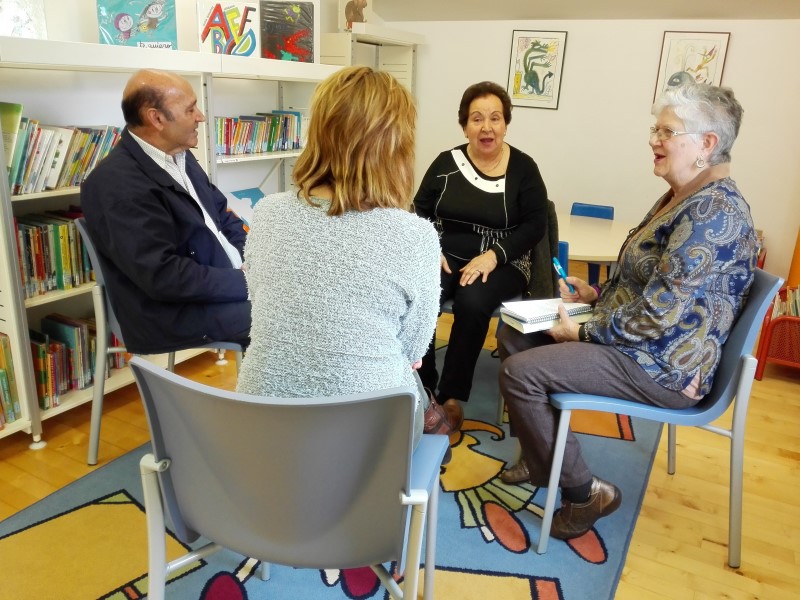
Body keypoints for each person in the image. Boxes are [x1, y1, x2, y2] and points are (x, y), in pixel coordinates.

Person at [497, 83, 758, 540]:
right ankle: (542, 461)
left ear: (706, 145)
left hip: (664, 365)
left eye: (667, 131)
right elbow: (653, 283)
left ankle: (584, 493)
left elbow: (659, 316)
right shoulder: (682, 196)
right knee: (513, 332)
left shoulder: (714, 213)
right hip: (639, 340)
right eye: (655, 129)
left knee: (521, 373)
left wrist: (584, 332)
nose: (654, 140)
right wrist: (596, 295)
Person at [235, 66, 451, 453]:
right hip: (366, 443)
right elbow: (414, 351)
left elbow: (259, 300)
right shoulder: (416, 236)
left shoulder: (266, 212)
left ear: (317, 132)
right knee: (418, 395)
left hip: (263, 424)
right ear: (396, 147)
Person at [82, 69, 251, 354]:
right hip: (171, 313)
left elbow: (223, 217)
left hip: (220, 285)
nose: (201, 116)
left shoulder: (180, 156)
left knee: (306, 299)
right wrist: (247, 282)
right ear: (156, 118)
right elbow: (164, 277)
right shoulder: (116, 185)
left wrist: (258, 260)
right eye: (190, 109)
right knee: (292, 318)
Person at [414, 81, 549, 431]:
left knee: (473, 302)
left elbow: (536, 224)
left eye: (495, 118)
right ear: (464, 125)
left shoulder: (524, 167)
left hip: (504, 257)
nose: (486, 127)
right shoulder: (446, 162)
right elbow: (419, 211)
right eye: (477, 119)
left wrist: (494, 255)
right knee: (422, 293)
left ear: (506, 123)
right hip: (445, 253)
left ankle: (450, 395)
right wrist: (432, 247)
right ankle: (424, 385)